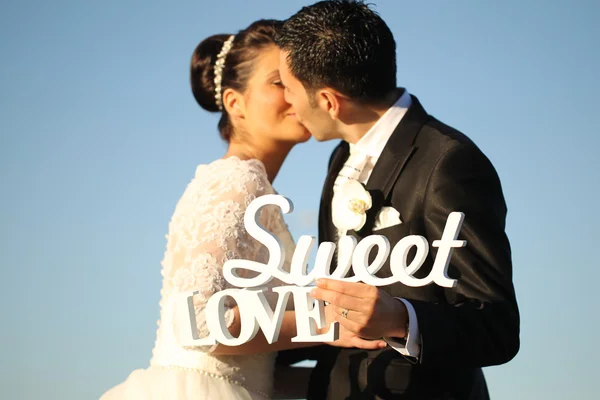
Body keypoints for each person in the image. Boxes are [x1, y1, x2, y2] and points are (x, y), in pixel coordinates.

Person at [100, 19, 384, 400]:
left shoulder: (257, 189)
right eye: (278, 82)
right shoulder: (235, 181)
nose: (296, 92)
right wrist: (332, 322)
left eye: (297, 80)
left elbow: (243, 374)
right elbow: (198, 324)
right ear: (235, 103)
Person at [275, 1, 520, 399]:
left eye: (287, 86)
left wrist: (402, 320)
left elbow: (497, 327)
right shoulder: (340, 158)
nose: (287, 100)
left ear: (329, 100)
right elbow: (341, 314)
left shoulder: (449, 163)